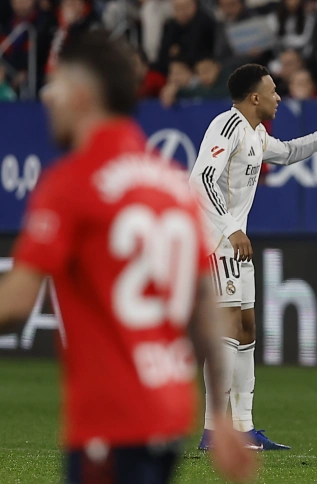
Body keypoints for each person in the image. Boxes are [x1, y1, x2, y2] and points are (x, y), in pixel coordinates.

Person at [0, 31, 255, 483]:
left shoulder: (72, 182)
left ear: (83, 96)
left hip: (110, 420)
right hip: (167, 414)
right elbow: (204, 310)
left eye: (56, 86)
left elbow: (17, 303)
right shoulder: (170, 183)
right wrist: (221, 420)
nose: (47, 98)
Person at [189, 63, 317, 451]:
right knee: (229, 327)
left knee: (246, 327)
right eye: (273, 90)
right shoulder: (226, 126)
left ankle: (244, 427)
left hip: (234, 242)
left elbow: (292, 152)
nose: (279, 97)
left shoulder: (257, 134)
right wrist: (230, 228)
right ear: (254, 97)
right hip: (215, 240)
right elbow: (200, 179)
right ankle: (214, 431)